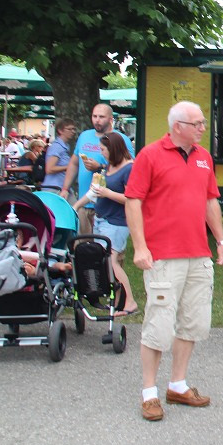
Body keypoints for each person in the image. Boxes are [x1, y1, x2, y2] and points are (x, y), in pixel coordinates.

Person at [125, 101, 223, 422]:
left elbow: (210, 200)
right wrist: (140, 247)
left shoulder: (203, 157)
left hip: (198, 254)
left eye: (202, 123)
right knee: (158, 325)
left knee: (193, 323)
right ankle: (149, 394)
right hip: (162, 256)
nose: (202, 128)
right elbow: (133, 201)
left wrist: (221, 240)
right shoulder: (150, 155)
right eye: (197, 123)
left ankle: (178, 385)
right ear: (177, 126)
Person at [72, 132, 138, 316]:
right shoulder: (108, 166)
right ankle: (117, 301)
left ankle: (130, 302)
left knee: (111, 261)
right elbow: (95, 191)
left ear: (113, 149)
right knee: (104, 262)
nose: (100, 153)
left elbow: (132, 198)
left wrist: (107, 193)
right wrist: (76, 205)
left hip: (117, 222)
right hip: (101, 219)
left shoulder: (129, 168)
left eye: (102, 150)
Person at [65, 104, 135, 235]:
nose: (97, 120)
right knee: (84, 247)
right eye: (94, 116)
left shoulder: (120, 139)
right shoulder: (84, 136)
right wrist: (65, 189)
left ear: (110, 119)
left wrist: (99, 166)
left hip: (111, 208)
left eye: (101, 117)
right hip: (86, 198)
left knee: (107, 249)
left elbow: (129, 168)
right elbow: (74, 163)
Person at [42, 118, 75, 192]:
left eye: (73, 129)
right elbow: (49, 169)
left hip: (61, 187)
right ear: (60, 131)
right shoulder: (57, 147)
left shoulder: (65, 146)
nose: (73, 132)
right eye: (69, 129)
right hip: (54, 188)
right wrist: (69, 167)